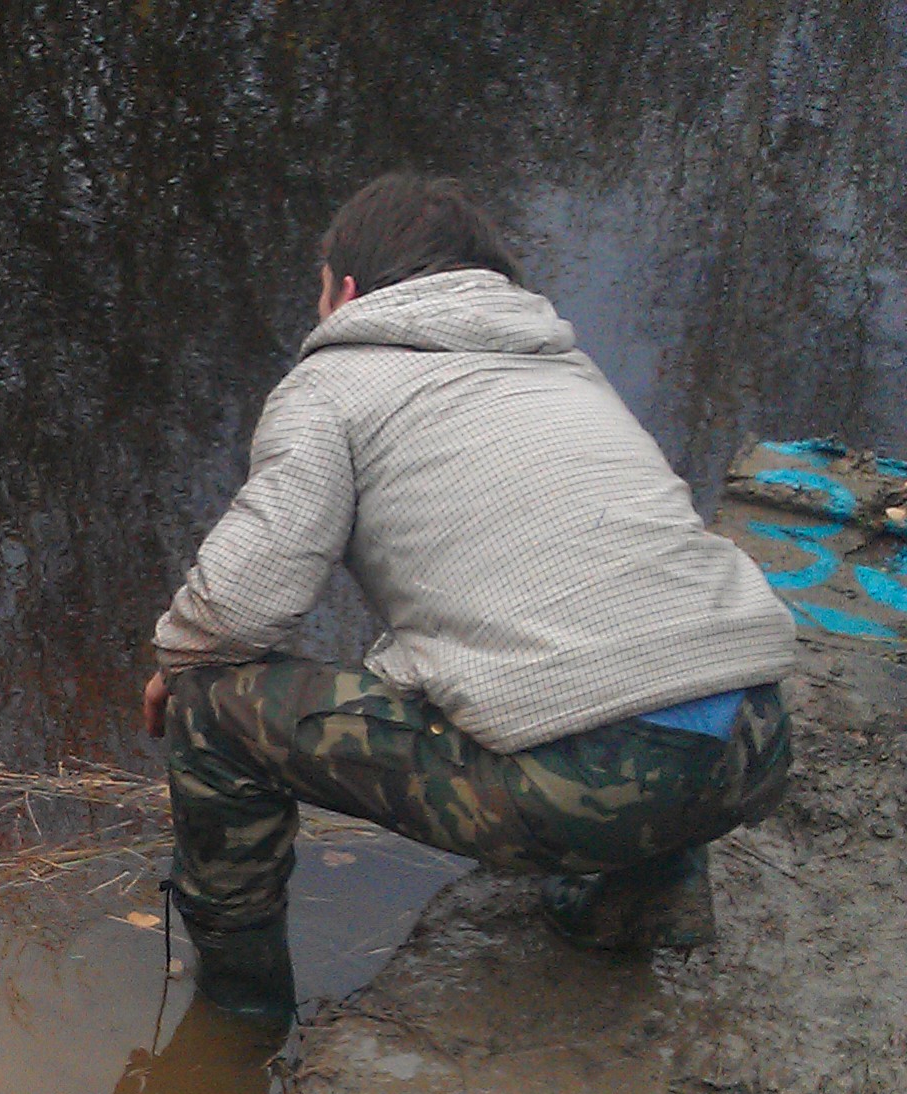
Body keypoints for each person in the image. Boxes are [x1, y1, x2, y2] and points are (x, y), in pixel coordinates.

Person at [142, 172, 799, 1022]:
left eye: (320, 289)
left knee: (210, 709)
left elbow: (246, 601)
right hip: (755, 739)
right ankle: (628, 905)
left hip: (601, 783)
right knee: (634, 664)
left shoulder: (334, 382)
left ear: (346, 291)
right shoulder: (564, 367)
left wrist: (179, 659)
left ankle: (239, 1012)